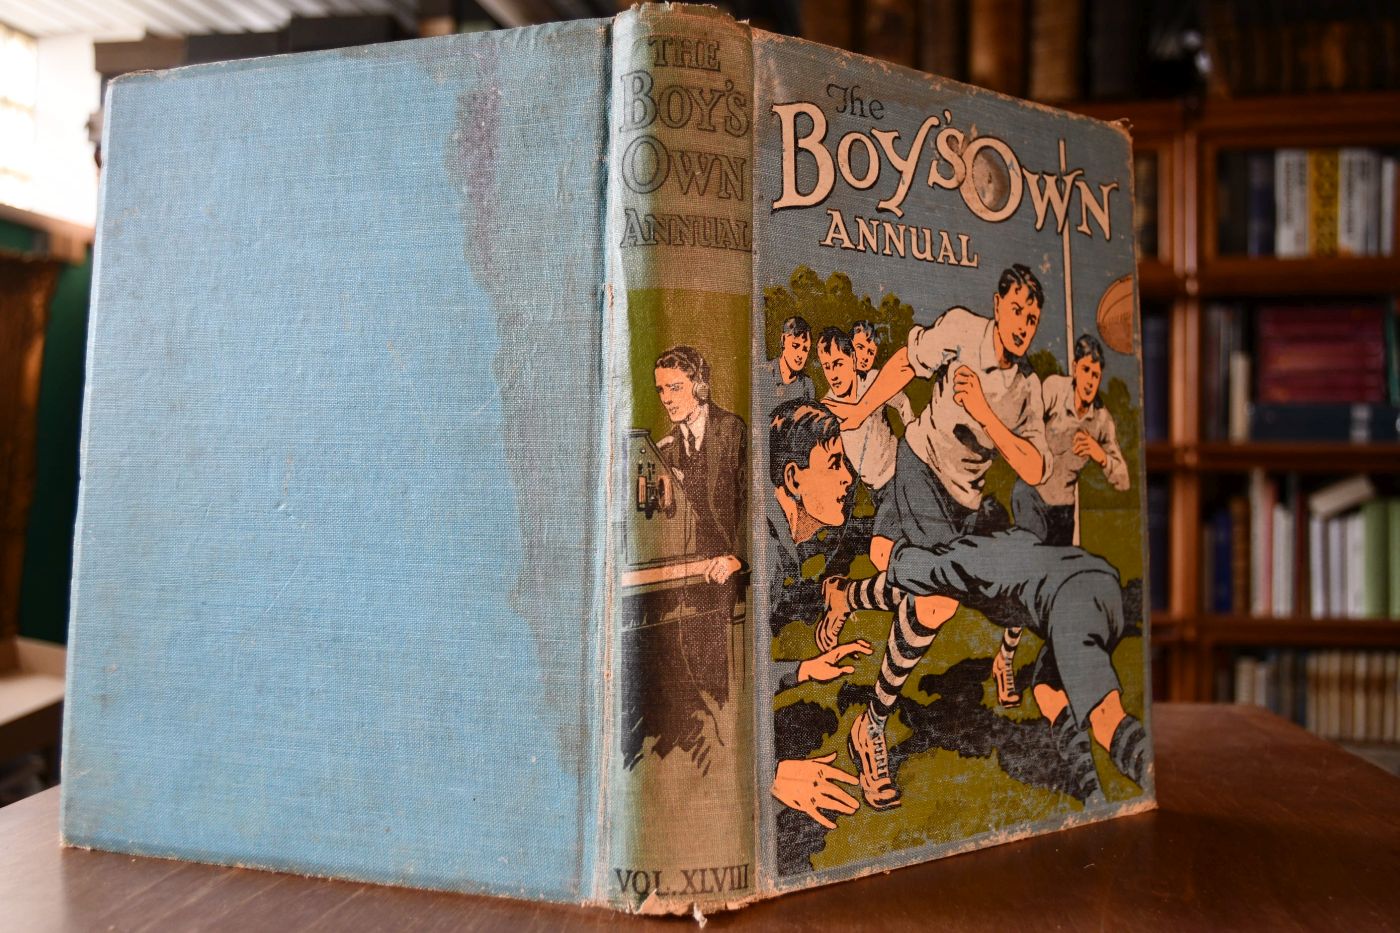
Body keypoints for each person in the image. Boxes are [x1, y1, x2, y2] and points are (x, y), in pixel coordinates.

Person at [821, 264, 1052, 810]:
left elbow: (1035, 465)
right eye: (1017, 310)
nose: (1023, 325)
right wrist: (859, 410)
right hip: (919, 467)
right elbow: (907, 361)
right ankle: (871, 726)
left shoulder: (1026, 389)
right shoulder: (961, 330)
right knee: (936, 601)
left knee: (953, 583)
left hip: (964, 502)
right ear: (997, 305)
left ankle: (846, 596)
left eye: (1033, 318)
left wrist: (987, 417)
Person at [825, 528, 1149, 804]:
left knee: (1104, 716)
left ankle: (1148, 778)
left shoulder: (970, 559)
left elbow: (920, 571)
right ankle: (1094, 798)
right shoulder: (1019, 540)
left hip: (1073, 603)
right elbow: (1022, 605)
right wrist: (1005, 656)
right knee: (1047, 690)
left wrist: (881, 560)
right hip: (1101, 586)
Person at [994, 334, 1131, 707]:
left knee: (1060, 594)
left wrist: (1100, 455)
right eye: (1086, 371)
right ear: (1074, 369)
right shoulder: (1054, 390)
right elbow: (1025, 421)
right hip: (1031, 494)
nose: (1090, 381)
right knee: (1030, 580)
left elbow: (1123, 479)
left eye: (1096, 375)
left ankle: (1054, 677)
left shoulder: (1101, 420)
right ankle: (1005, 661)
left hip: (1062, 510)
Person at [654, 345, 746, 582]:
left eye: (675, 388)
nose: (666, 399)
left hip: (731, 570)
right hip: (690, 569)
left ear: (699, 387)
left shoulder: (731, 430)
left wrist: (737, 558)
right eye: (661, 390)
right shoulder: (667, 448)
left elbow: (753, 503)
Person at [817, 326, 909, 507]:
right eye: (827, 367)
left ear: (852, 359)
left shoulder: (874, 381)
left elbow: (903, 403)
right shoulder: (826, 408)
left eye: (838, 364)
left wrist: (912, 440)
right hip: (873, 489)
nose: (833, 375)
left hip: (899, 472)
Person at [761, 316, 814, 418]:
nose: (800, 354)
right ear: (783, 340)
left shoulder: (807, 386)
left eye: (805, 349)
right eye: (795, 346)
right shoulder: (764, 374)